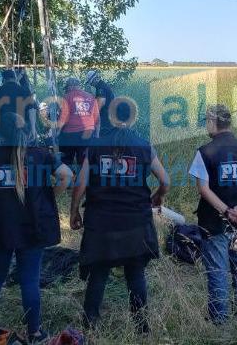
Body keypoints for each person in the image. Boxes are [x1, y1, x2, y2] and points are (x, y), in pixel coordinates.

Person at [70, 101, 170, 332]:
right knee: (136, 274)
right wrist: (158, 196)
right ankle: (141, 328)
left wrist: (74, 211)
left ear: (111, 117)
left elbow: (80, 184)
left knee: (98, 273)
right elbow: (165, 180)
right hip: (135, 222)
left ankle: (90, 326)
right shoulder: (144, 146)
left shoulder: (95, 146)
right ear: (133, 118)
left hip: (101, 222)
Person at [0, 112, 72, 343]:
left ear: (1, 132)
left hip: (0, 225)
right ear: (27, 130)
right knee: (30, 279)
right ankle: (34, 332)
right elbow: (66, 175)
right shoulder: (41, 155)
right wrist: (49, 196)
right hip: (32, 225)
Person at [189, 104, 237, 324]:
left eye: (206, 121)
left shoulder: (205, 152)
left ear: (213, 122)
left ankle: (219, 320)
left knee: (217, 271)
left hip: (214, 223)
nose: (206, 125)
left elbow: (203, 189)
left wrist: (226, 211)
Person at [0, 69, 38, 141]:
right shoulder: (24, 91)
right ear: (14, 78)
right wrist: (33, 129)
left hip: (4, 130)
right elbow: (32, 110)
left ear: (4, 80)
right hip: (21, 130)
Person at [59, 77, 98, 169]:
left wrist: (57, 131)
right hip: (88, 133)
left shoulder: (67, 97)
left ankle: (67, 175)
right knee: (84, 160)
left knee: (66, 160)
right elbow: (96, 118)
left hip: (70, 134)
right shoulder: (91, 97)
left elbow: (63, 118)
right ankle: (84, 177)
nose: (66, 90)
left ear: (71, 86)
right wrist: (97, 134)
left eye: (67, 88)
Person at [85, 70, 115, 137]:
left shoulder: (101, 88)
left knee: (102, 134)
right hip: (109, 114)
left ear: (95, 79)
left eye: (91, 82)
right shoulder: (101, 86)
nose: (91, 84)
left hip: (106, 116)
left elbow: (100, 104)